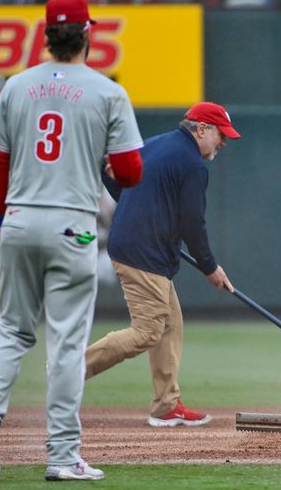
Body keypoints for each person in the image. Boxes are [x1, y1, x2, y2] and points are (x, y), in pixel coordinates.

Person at [0, 0, 144, 482]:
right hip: (74, 228)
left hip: (21, 220)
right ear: (89, 34)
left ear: (46, 36)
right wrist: (109, 160)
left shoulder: (17, 86)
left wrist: (0, 226)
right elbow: (130, 172)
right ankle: (63, 457)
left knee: (10, 329)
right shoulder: (107, 91)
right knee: (66, 343)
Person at [84, 101, 240, 428]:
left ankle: (166, 405)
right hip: (143, 253)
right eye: (220, 136)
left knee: (170, 323)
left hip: (139, 247)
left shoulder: (155, 145)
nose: (222, 143)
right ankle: (66, 374)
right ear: (201, 130)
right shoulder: (193, 164)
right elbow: (192, 223)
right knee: (147, 331)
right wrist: (210, 267)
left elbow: (111, 173)